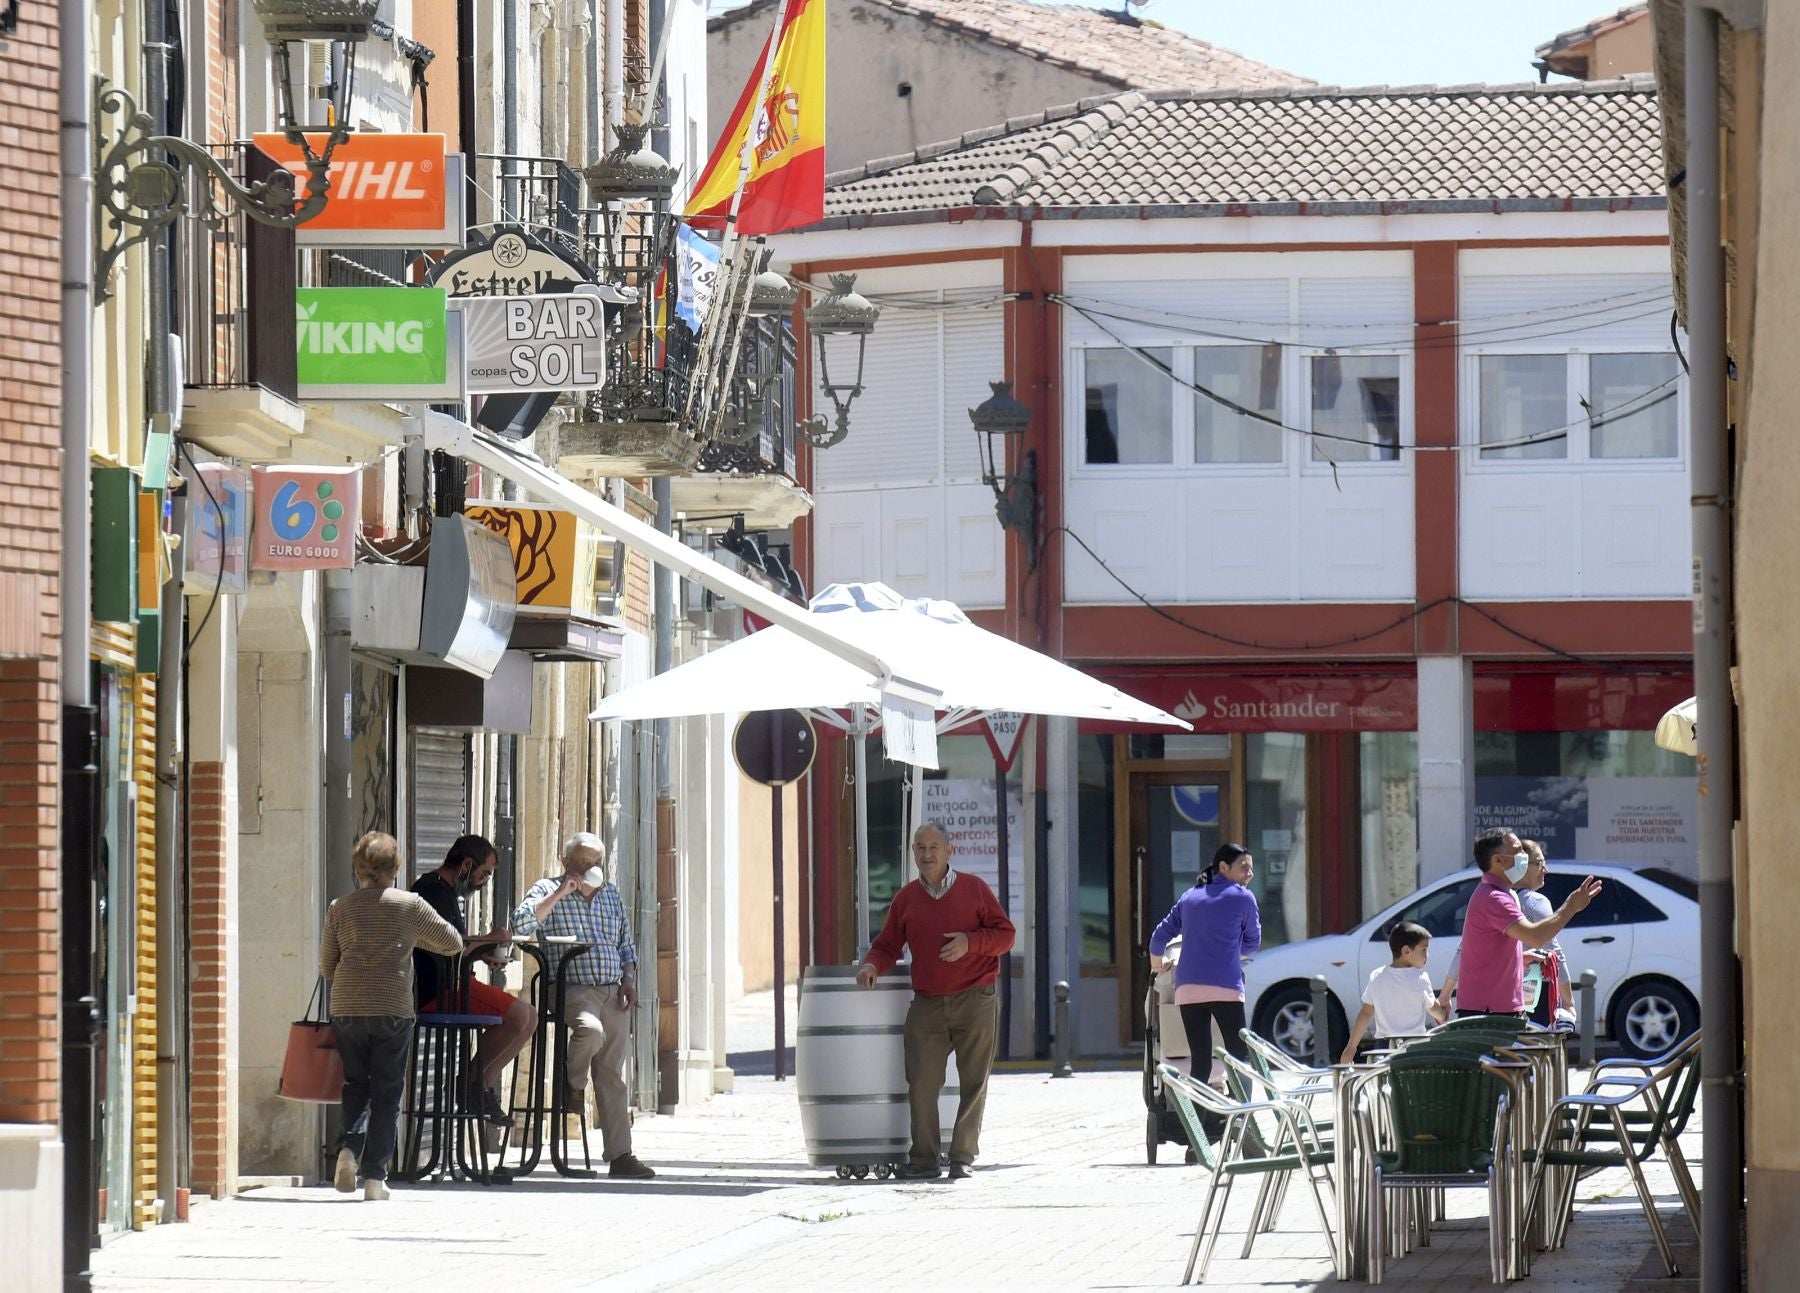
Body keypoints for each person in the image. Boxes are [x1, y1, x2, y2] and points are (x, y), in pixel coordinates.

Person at [856, 821, 1016, 1182]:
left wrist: (970, 943)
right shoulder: (906, 899)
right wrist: (871, 965)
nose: (926, 855)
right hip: (927, 1002)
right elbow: (888, 943)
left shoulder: (975, 890)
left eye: (933, 847)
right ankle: (924, 1160)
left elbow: (1006, 935)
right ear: (913, 854)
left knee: (974, 1080)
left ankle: (962, 1158)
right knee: (922, 1082)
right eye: (920, 848)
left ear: (949, 851)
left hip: (977, 997)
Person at [319, 830, 464, 1201]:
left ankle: (348, 1150)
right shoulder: (409, 905)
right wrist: (412, 939)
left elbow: (326, 966)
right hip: (392, 1008)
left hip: (347, 1006)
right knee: (387, 1092)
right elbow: (452, 942)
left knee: (355, 1084)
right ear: (395, 869)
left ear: (358, 871)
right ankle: (374, 1178)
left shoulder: (340, 907)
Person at [511, 832, 655, 1179]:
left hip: (611, 990)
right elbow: (521, 923)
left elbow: (625, 945)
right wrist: (562, 893)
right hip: (569, 988)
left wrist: (629, 980)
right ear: (567, 862)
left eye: (595, 862)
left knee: (611, 1076)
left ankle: (621, 1155)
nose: (590, 867)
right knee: (590, 1030)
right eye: (583, 861)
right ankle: (572, 1084)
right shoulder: (547, 889)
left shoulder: (611, 895)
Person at [412, 834, 537, 1125]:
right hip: (438, 991)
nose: (484, 882)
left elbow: (454, 947)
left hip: (452, 984)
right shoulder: (432, 892)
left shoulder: (444, 892)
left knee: (528, 1018)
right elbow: (447, 949)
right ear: (467, 865)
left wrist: (481, 952)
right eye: (484, 874)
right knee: (520, 1017)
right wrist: (490, 940)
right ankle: (474, 1085)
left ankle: (476, 1084)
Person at [1455, 827, 1601, 1018]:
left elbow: (1491, 951)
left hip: (1499, 1008)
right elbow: (1535, 936)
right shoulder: (1494, 897)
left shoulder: (1501, 893)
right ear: (1498, 860)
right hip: (1490, 1012)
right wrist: (1571, 906)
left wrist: (1519, 957)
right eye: (1517, 851)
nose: (1523, 855)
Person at [1148, 843, 1261, 1088]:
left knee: (1200, 1060)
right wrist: (1232, 952)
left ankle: (1196, 1120)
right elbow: (1253, 943)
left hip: (1187, 991)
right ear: (1223, 867)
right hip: (1226, 988)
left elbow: (1159, 936)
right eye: (1244, 868)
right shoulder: (1244, 898)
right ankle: (1244, 1118)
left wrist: (1159, 963)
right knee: (1238, 1056)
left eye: (1251, 869)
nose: (1249, 874)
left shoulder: (1189, 897)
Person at [1437, 839, 1574, 1029]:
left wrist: (1445, 994)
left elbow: (1464, 951)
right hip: (1530, 994)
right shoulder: (1527, 901)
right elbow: (1551, 948)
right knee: (1528, 1052)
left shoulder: (1492, 895)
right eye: (1539, 863)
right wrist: (1569, 1004)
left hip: (1500, 998)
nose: (1546, 869)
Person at [1340, 921, 1444, 1064]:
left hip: (1384, 1047)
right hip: (1414, 1046)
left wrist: (1351, 1047)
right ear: (1406, 951)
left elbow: (1365, 1013)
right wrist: (1442, 1011)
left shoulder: (1377, 976)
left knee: (1386, 1083)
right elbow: (1435, 1010)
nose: (1427, 955)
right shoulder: (1420, 978)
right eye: (1424, 950)